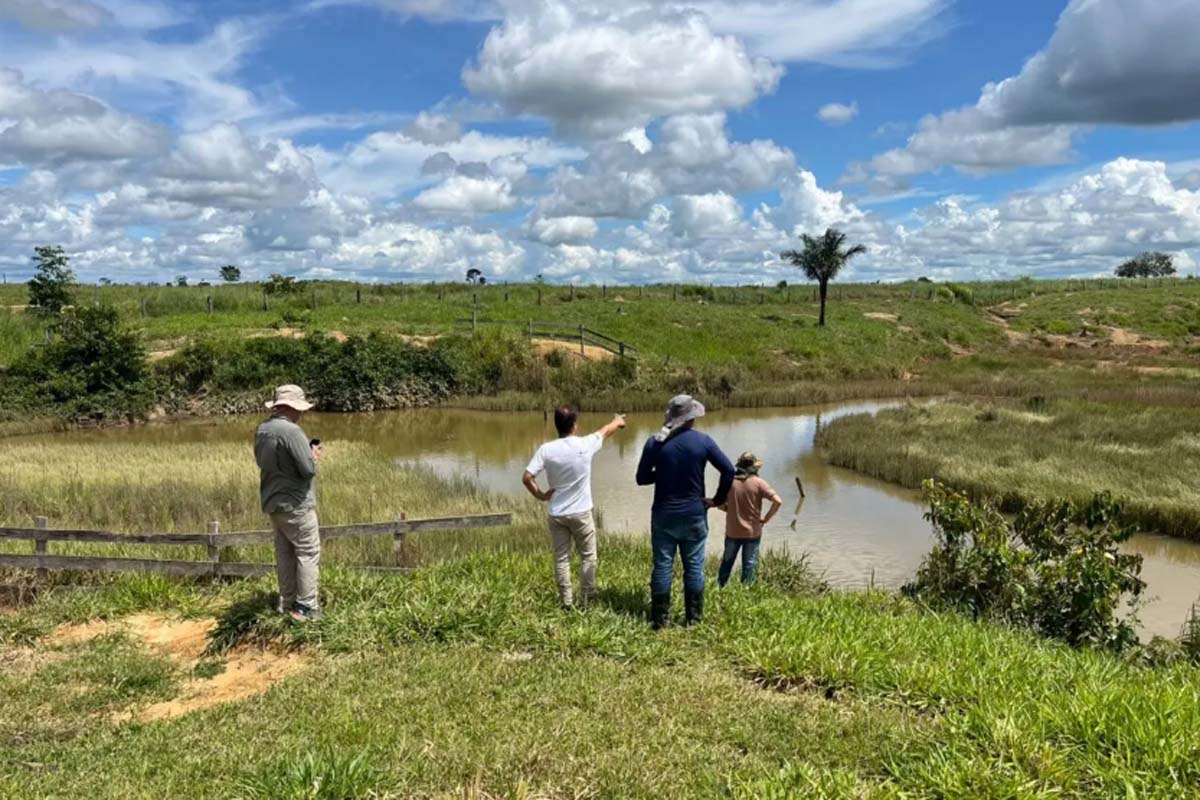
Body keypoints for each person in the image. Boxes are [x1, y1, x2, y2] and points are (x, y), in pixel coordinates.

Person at [635, 394, 735, 628]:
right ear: (691, 417)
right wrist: (716, 500)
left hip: (663, 515)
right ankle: (694, 620)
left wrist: (663, 474)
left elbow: (641, 478)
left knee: (662, 565)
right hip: (694, 513)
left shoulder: (654, 442)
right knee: (694, 566)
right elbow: (729, 471)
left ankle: (660, 621)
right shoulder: (703, 441)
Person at [523, 406, 627, 609]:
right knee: (588, 556)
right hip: (581, 513)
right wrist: (618, 421)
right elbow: (606, 430)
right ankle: (587, 600)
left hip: (557, 513)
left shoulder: (546, 450)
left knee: (562, 558)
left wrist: (541, 495)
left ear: (557, 426)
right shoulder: (585, 444)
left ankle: (566, 602)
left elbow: (527, 477)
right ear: (574, 425)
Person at [254, 384, 322, 622]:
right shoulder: (292, 432)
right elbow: (306, 470)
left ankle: (287, 602)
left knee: (285, 553)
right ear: (293, 408)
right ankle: (306, 608)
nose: (302, 414)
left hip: (273, 501)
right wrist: (313, 456)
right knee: (307, 551)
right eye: (300, 409)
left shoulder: (262, 429)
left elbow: (263, 462)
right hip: (296, 503)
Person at [717, 452, 782, 587]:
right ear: (753, 468)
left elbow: (719, 503)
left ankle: (720, 587)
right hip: (752, 532)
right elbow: (777, 501)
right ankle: (746, 591)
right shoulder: (759, 483)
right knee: (749, 564)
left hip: (732, 531)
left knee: (727, 562)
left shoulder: (729, 482)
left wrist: (731, 509)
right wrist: (766, 519)